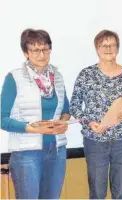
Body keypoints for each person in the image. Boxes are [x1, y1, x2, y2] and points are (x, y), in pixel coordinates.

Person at [0, 28, 70, 199]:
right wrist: (34, 128)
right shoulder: (14, 78)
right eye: (35, 50)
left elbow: (66, 110)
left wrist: (62, 122)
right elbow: (2, 119)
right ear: (26, 53)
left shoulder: (57, 76)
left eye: (45, 48)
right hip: (26, 152)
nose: (41, 54)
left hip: (57, 150)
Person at [69, 30, 122, 199]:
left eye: (112, 45)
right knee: (98, 193)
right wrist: (89, 122)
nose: (108, 48)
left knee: (121, 192)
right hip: (95, 141)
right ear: (96, 49)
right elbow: (74, 106)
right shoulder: (86, 74)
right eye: (103, 45)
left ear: (118, 48)